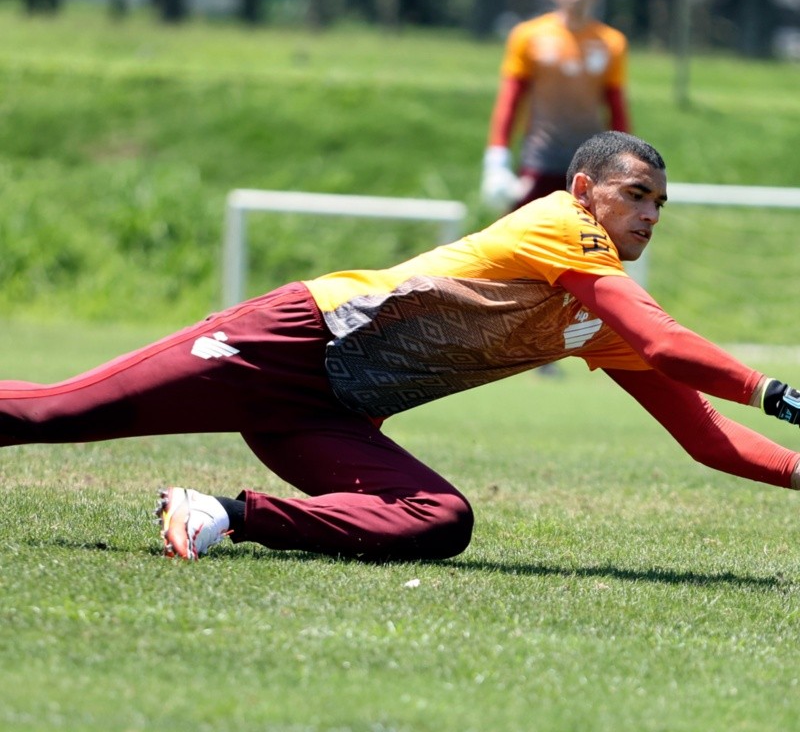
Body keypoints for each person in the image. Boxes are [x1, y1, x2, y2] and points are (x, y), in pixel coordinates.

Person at [3, 131, 800, 563]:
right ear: (585, 192)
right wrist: (776, 391)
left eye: (661, 203)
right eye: (637, 195)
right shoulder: (565, 224)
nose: (651, 213)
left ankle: (220, 514)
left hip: (329, 412)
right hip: (284, 343)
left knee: (437, 520)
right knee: (51, 414)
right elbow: (666, 339)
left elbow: (704, 436)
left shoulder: (599, 315)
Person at [481, 0, 631, 213]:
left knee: (584, 241)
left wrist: (624, 157)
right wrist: (497, 155)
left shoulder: (611, 42)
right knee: (525, 235)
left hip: (589, 161)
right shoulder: (528, 36)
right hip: (541, 155)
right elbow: (511, 98)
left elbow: (616, 106)